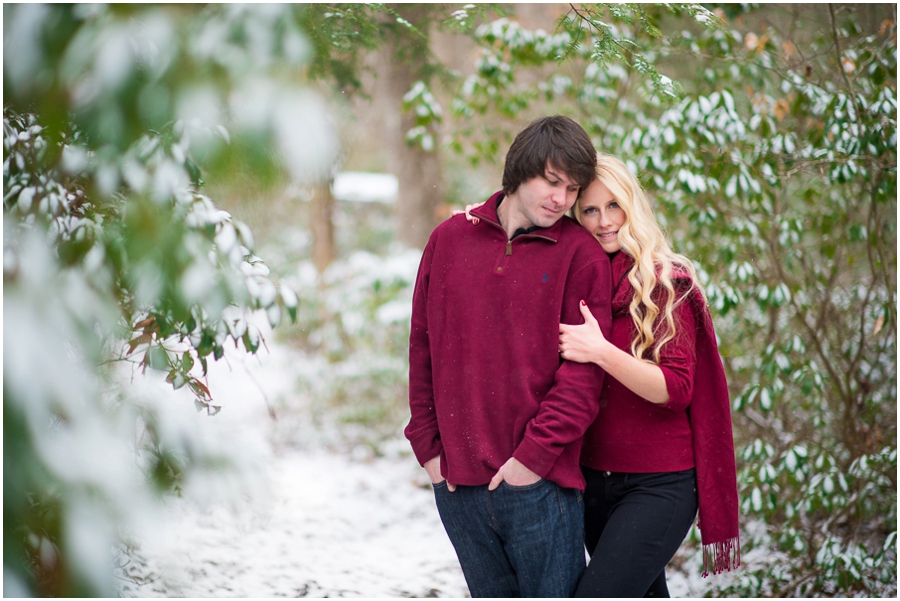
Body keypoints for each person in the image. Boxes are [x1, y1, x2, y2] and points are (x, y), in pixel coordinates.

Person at [404, 115, 613, 598]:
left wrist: (530, 463)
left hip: (541, 487)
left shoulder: (580, 255)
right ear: (521, 170)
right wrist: (429, 450)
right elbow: (422, 348)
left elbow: (583, 378)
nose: (560, 199)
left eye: (572, 188)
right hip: (458, 485)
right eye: (552, 180)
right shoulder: (449, 239)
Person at [557, 154, 740, 597]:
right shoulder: (576, 282)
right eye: (590, 210)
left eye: (614, 205)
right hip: (591, 481)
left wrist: (601, 352)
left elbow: (675, 390)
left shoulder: (664, 282)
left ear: (632, 206)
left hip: (659, 485)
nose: (604, 221)